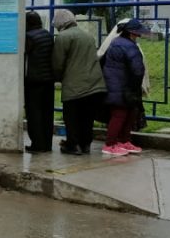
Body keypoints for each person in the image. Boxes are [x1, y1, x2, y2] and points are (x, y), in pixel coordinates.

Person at [51, 9, 107, 156]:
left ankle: (73, 145)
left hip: (74, 85)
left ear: (60, 23)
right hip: (95, 83)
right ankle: (86, 144)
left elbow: (58, 63)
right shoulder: (88, 36)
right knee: (87, 117)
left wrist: (57, 77)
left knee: (71, 117)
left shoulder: (63, 37)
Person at [100, 18, 149, 156]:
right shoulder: (129, 46)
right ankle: (110, 144)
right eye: (137, 34)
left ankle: (123, 141)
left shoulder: (116, 42)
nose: (138, 36)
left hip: (117, 85)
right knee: (120, 114)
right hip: (123, 86)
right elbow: (138, 69)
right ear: (132, 33)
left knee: (127, 113)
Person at [24, 11, 55, 154]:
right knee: (47, 113)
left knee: (34, 113)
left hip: (34, 80)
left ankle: (37, 144)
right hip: (48, 79)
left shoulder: (29, 37)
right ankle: (47, 144)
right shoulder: (48, 35)